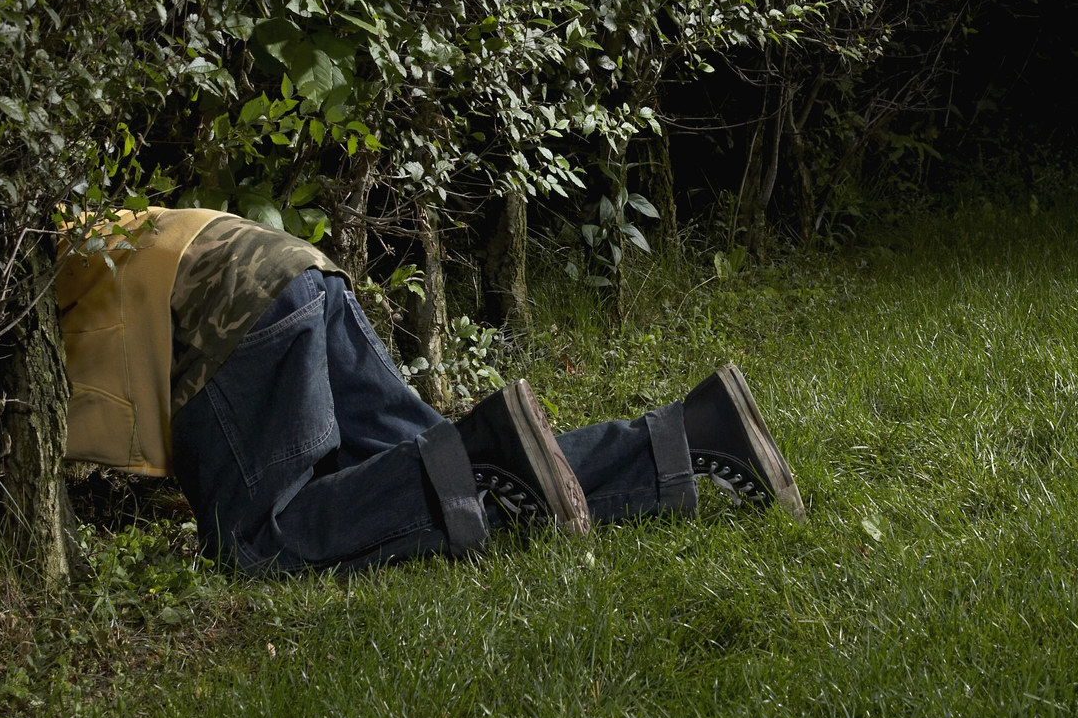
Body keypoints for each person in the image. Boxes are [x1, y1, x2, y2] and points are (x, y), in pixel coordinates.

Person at [55, 206, 804, 574]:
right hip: (277, 263)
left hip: (215, 307)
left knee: (262, 539)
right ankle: (696, 440)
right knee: (426, 467)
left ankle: (485, 457)